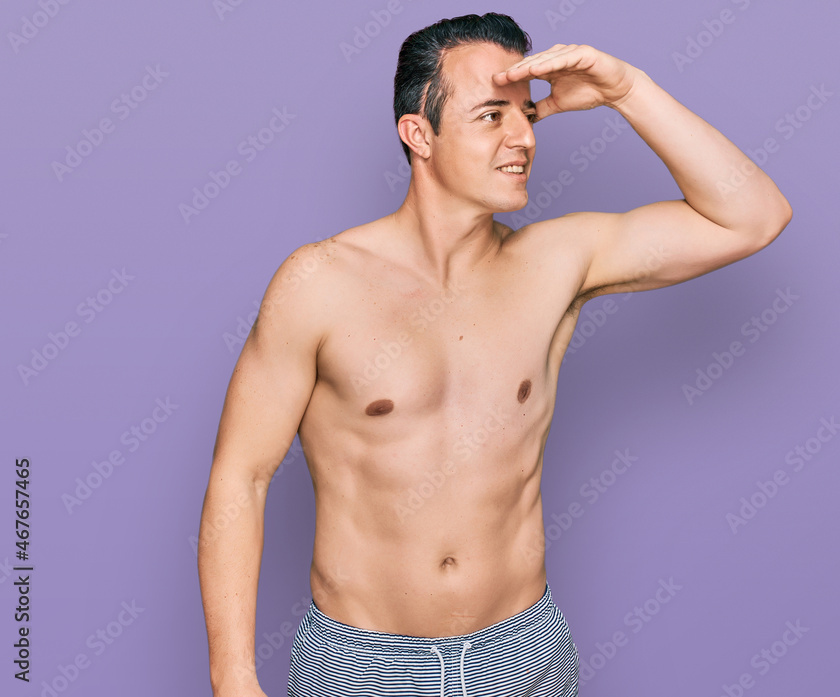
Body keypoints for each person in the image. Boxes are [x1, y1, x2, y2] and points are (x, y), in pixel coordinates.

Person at [197, 11, 792, 697]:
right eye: (490, 117)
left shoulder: (556, 262)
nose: (522, 138)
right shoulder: (317, 283)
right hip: (365, 665)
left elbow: (753, 214)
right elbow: (240, 478)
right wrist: (233, 675)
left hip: (521, 656)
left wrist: (627, 89)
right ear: (419, 134)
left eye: (526, 116)